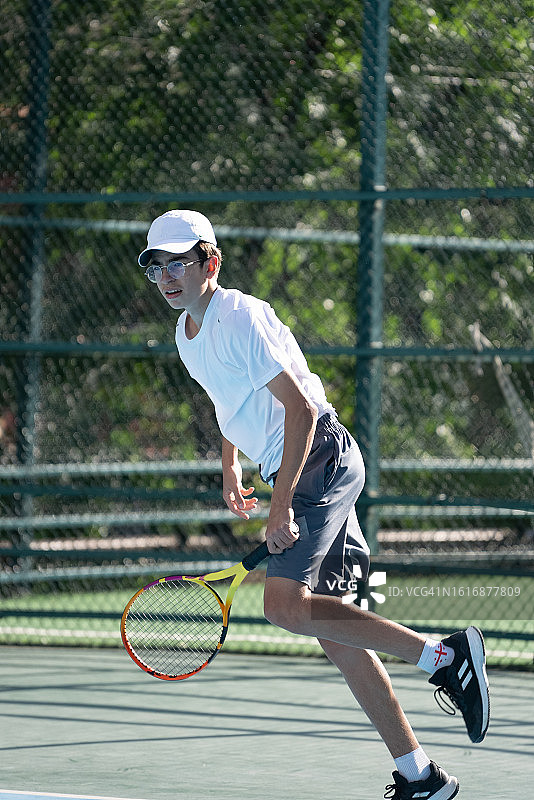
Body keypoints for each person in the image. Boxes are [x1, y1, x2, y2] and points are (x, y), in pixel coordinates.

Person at [138, 209, 490, 800]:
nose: (169, 275)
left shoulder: (240, 317)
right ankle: (420, 775)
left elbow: (299, 410)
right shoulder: (187, 335)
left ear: (210, 262)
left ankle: (445, 655)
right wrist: (230, 464)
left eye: (181, 261)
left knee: (284, 606)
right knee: (334, 628)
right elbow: (233, 402)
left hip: (318, 456)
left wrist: (281, 506)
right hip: (291, 466)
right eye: (158, 265)